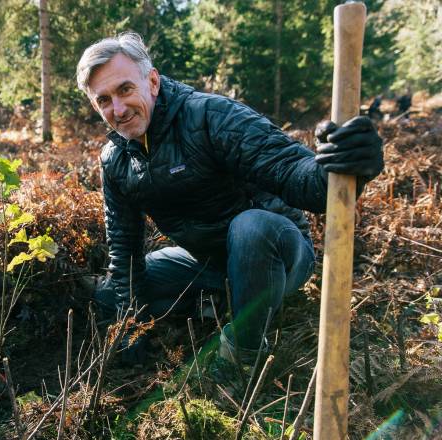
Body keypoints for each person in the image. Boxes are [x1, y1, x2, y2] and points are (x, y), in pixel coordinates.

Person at [75, 33, 384, 369]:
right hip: (206, 262)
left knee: (251, 226)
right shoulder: (115, 159)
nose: (118, 110)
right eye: (104, 100)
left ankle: (243, 355)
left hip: (276, 253)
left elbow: (301, 178)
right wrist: (131, 324)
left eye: (124, 89)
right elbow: (125, 247)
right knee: (110, 294)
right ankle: (218, 302)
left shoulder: (210, 117)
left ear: (151, 81)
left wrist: (344, 164)